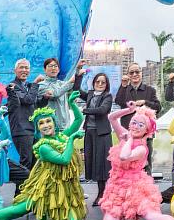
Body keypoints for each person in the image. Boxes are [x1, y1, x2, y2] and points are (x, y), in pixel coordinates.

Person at [74, 62, 113, 206]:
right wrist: (79, 73)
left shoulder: (108, 96)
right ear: (94, 82)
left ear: (106, 84)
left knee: (103, 164)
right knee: (92, 162)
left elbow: (103, 110)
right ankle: (102, 193)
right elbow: (76, 90)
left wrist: (86, 110)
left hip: (102, 134)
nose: (100, 84)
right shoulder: (90, 94)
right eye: (98, 81)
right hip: (89, 132)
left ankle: (102, 194)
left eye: (103, 82)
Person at [114, 62, 161, 174]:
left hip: (145, 134)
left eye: (137, 72)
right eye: (132, 72)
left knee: (146, 162)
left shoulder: (150, 90)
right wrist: (123, 85)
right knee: (128, 162)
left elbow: (158, 107)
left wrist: (145, 102)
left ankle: (147, 187)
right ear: (128, 75)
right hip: (129, 132)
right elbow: (119, 102)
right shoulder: (124, 89)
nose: (135, 74)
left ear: (141, 73)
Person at [6, 59, 40, 171]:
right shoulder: (13, 86)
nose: (24, 70)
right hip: (21, 129)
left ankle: (30, 187)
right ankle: (21, 188)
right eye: (21, 67)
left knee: (35, 161)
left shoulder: (28, 86)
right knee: (26, 161)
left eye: (27, 68)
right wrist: (36, 84)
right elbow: (28, 99)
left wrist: (45, 98)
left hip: (32, 129)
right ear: (15, 70)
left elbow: (34, 104)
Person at [35, 57, 75, 129]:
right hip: (49, 126)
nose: (53, 68)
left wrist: (78, 70)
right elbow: (55, 94)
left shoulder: (62, 83)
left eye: (55, 66)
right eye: (50, 66)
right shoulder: (41, 85)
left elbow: (76, 85)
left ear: (59, 70)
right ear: (44, 69)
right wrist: (70, 82)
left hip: (65, 125)